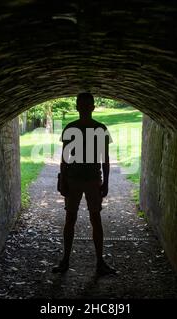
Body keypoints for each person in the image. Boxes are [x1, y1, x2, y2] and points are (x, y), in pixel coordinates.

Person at [53, 92, 116, 276]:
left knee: (93, 219)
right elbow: (64, 159)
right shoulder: (93, 128)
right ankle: (69, 260)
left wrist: (106, 183)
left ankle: (96, 262)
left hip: (89, 180)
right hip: (78, 180)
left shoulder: (79, 128)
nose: (85, 107)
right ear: (79, 107)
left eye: (87, 104)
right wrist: (62, 180)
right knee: (72, 220)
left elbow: (105, 159)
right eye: (83, 104)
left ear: (92, 107)